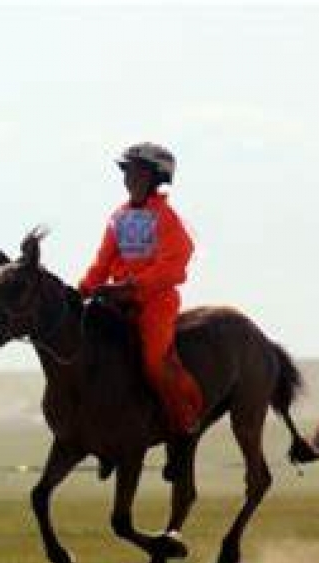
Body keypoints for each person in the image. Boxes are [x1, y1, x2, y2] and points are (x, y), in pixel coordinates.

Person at [77, 142, 203, 437]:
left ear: (153, 178)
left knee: (154, 361)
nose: (128, 177)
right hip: (115, 300)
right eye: (127, 171)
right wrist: (81, 290)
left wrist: (132, 286)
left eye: (135, 171)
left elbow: (173, 265)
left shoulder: (167, 219)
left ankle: (185, 417)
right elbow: (102, 263)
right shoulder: (117, 217)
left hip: (155, 303)